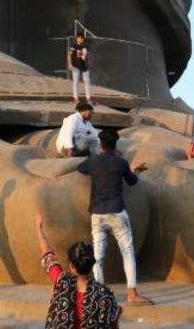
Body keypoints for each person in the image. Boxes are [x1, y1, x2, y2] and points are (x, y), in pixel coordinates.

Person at [77, 130, 152, 305]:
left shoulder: (93, 161)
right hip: (117, 212)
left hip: (97, 213)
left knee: (98, 257)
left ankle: (98, 296)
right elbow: (132, 181)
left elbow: (81, 168)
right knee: (127, 252)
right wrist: (136, 171)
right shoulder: (121, 162)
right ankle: (132, 294)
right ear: (115, 144)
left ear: (100, 144)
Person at [34, 213, 120, 329]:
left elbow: (47, 253)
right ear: (92, 264)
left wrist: (39, 228)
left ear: (72, 266)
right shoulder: (104, 294)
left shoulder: (63, 282)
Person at [67, 33, 92, 104]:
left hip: (84, 67)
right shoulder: (73, 46)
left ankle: (88, 98)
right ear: (77, 38)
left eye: (83, 38)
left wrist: (84, 55)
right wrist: (70, 64)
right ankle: (76, 98)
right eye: (81, 38)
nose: (82, 39)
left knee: (87, 81)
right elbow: (69, 55)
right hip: (76, 66)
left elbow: (84, 56)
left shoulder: (85, 46)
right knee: (76, 82)